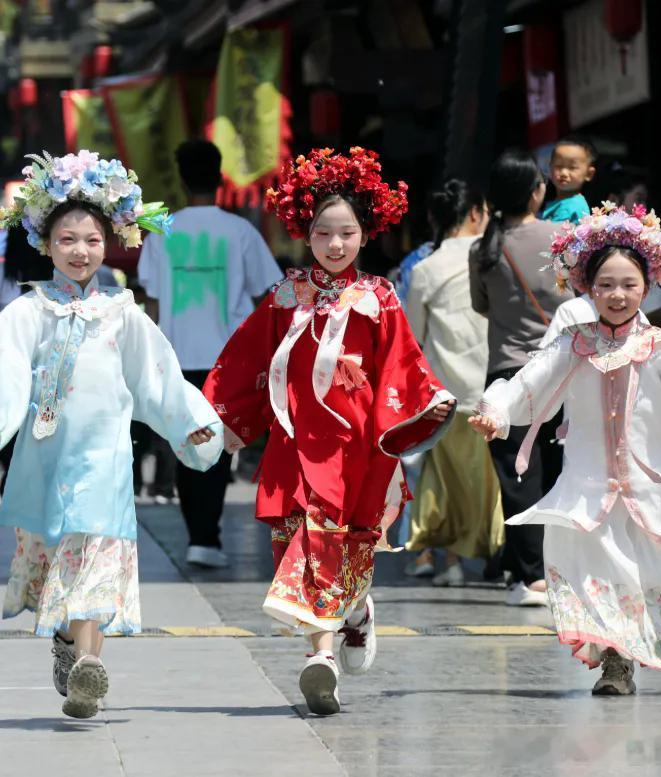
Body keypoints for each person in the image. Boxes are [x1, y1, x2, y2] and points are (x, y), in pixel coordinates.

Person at [0, 149, 223, 720]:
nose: (80, 251)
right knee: (62, 556)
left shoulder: (123, 311)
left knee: (96, 552)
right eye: (68, 239)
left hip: (105, 460)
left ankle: (88, 669)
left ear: (110, 243)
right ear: (46, 244)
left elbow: (158, 378)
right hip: (48, 460)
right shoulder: (29, 310)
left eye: (93, 240)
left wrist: (190, 420)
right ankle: (71, 647)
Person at [470, 204, 661, 694]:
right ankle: (616, 663)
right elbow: (530, 385)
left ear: (647, 287)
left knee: (647, 577)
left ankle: (629, 653)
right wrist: (498, 411)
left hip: (651, 487)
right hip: (586, 486)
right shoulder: (572, 343)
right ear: (588, 287)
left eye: (629, 284)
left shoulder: (660, 347)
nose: (617, 294)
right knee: (598, 573)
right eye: (606, 284)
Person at [204, 147, 455, 716]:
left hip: (358, 448)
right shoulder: (285, 297)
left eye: (346, 233)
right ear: (305, 233)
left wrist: (425, 406)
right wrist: (213, 415)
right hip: (296, 445)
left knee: (342, 543)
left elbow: (405, 370)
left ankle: (350, 618)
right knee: (300, 539)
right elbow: (245, 361)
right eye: (323, 233)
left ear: (365, 234)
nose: (335, 245)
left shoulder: (380, 299)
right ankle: (322, 656)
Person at [137, 139, 282, 568]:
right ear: (220, 178)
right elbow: (267, 295)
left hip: (177, 356)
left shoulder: (162, 230)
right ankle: (208, 537)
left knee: (186, 444)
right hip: (229, 357)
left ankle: (199, 536)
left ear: (181, 180)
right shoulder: (240, 231)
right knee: (219, 447)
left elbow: (153, 302)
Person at [470, 150, 568, 606]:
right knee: (558, 471)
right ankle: (553, 569)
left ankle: (531, 577)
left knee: (518, 475)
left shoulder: (483, 248)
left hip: (508, 373)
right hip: (562, 367)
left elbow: (482, 306)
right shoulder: (560, 238)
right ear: (536, 191)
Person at [404, 180, 503, 585]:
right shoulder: (495, 259)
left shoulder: (425, 269)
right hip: (495, 386)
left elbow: (413, 335)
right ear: (476, 214)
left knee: (444, 481)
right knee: (494, 482)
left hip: (444, 391)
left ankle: (450, 564)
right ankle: (503, 559)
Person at [540, 136, 595, 225]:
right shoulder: (559, 203)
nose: (564, 173)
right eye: (558, 166)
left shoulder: (573, 205)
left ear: (589, 174)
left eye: (572, 167)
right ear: (550, 167)